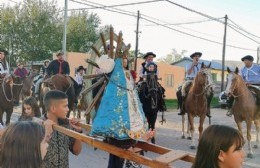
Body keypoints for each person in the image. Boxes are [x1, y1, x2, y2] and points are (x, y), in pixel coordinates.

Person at [41, 90, 82, 168]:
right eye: (65, 106)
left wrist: (78, 132)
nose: (68, 109)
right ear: (53, 108)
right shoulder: (37, 127)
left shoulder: (67, 125)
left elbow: (76, 152)